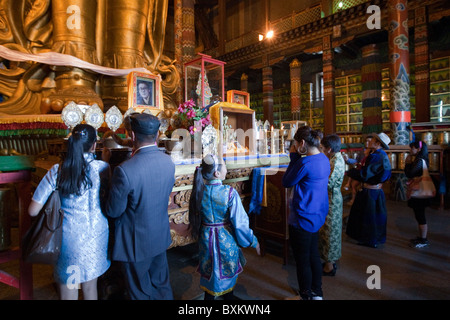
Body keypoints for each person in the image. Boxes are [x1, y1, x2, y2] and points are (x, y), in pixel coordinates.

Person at [28, 124, 111, 300]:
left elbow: (32, 211)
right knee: (90, 288)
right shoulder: (103, 168)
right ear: (94, 145)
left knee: (70, 288)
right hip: (97, 236)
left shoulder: (58, 171)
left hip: (69, 240)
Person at [105, 113, 175, 300]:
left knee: (139, 291)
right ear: (158, 135)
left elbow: (113, 211)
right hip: (159, 236)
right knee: (161, 285)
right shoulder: (168, 162)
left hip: (135, 243)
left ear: (132, 136)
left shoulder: (125, 170)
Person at [189, 154, 260, 300]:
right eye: (224, 165)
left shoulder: (199, 192)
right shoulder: (229, 193)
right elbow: (240, 224)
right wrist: (252, 240)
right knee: (227, 284)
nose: (227, 168)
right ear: (217, 173)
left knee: (210, 279)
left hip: (205, 241)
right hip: (225, 242)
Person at [282, 126, 330, 300]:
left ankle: (305, 296)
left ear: (302, 143)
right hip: (317, 214)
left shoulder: (305, 162)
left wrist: (294, 156)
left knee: (302, 261)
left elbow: (287, 181)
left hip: (302, 217)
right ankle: (317, 293)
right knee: (313, 255)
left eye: (295, 144)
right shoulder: (324, 159)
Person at [346, 132, 392, 248]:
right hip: (376, 190)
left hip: (371, 191)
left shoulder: (376, 156)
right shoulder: (381, 155)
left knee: (369, 217)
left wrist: (350, 172)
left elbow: (365, 175)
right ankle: (375, 238)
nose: (370, 141)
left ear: (377, 143)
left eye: (373, 140)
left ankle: (370, 240)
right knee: (375, 216)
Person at [319, 134, 345, 276]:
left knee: (330, 232)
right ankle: (327, 260)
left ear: (329, 149)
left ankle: (330, 265)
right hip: (329, 199)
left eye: (322, 148)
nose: (321, 150)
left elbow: (330, 184)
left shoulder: (337, 161)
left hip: (332, 200)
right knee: (327, 230)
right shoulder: (335, 158)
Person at [404, 140, 432, 248]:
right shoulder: (420, 160)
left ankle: (424, 239)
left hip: (420, 192)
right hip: (418, 190)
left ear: (419, 149)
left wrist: (407, 163)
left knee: (420, 215)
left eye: (412, 148)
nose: (411, 150)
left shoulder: (420, 160)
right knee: (419, 215)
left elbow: (410, 173)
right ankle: (421, 237)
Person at [343, 135, 374, 205]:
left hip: (366, 174)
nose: (367, 143)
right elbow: (356, 161)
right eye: (366, 141)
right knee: (353, 182)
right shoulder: (362, 151)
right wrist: (348, 160)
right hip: (360, 170)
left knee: (354, 183)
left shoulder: (373, 153)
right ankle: (354, 199)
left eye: (369, 141)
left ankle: (354, 199)